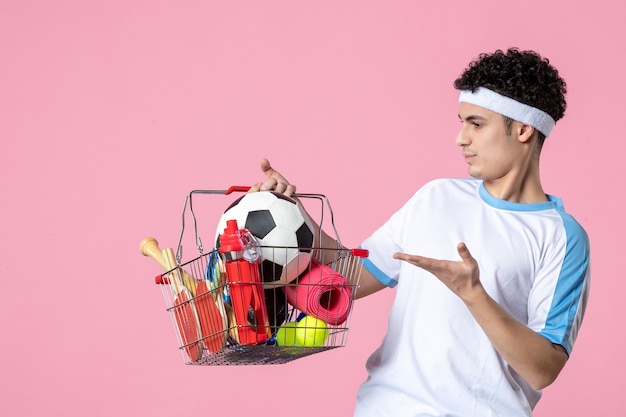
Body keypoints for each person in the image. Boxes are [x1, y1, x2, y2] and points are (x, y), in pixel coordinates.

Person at [250, 48, 591, 416]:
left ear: (523, 130)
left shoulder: (561, 236)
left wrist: (473, 294)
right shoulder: (436, 197)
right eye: (461, 122)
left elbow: (543, 370)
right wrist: (293, 216)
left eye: (476, 124)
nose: (461, 138)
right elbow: (351, 276)